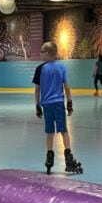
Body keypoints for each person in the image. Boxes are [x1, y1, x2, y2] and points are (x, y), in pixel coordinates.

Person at [34, 41, 82, 175]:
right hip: (59, 104)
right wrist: (69, 102)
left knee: (49, 132)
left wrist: (37, 105)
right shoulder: (61, 67)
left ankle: (49, 158)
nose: (40, 53)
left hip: (47, 105)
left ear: (48, 53)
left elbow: (37, 90)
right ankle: (68, 157)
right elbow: (66, 86)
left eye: (42, 51)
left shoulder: (40, 69)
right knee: (63, 131)